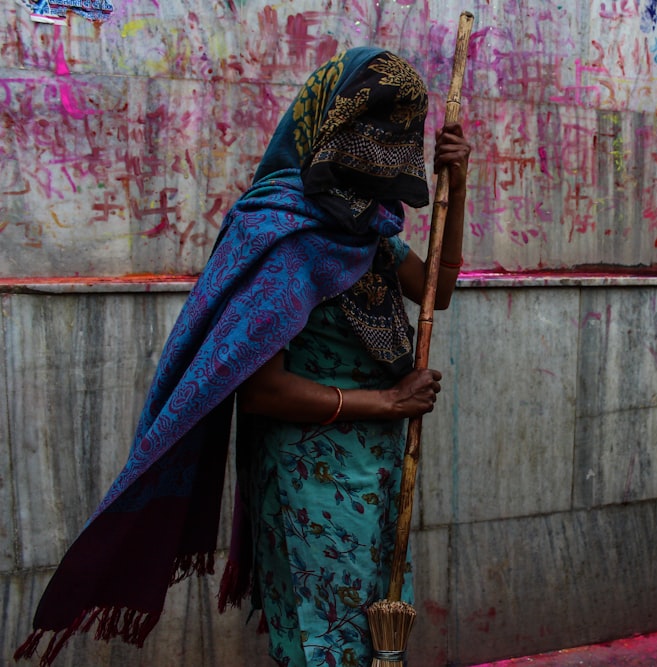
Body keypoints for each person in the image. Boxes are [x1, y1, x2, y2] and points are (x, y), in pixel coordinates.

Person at [15, 46, 470, 667]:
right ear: (332, 125)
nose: (386, 155)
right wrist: (388, 401)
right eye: (375, 132)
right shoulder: (283, 232)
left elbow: (436, 293)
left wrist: (459, 187)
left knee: (375, 633)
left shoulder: (367, 231)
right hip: (310, 474)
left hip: (381, 465)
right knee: (324, 642)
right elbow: (259, 389)